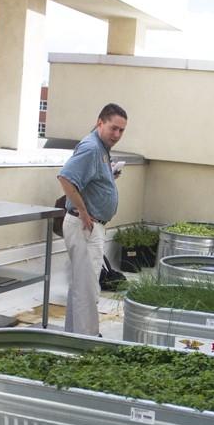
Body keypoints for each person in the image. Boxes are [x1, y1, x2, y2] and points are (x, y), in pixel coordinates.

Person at [57, 103, 128, 336]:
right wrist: (84, 212)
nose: (117, 135)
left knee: (82, 286)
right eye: (113, 128)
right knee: (87, 289)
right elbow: (66, 178)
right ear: (100, 122)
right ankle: (87, 340)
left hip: (90, 225)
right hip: (84, 225)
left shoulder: (101, 148)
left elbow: (90, 182)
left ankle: (74, 336)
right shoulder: (91, 148)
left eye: (121, 131)